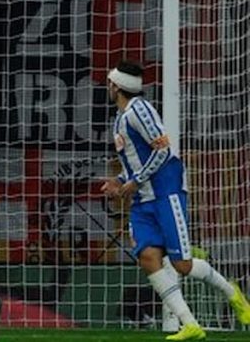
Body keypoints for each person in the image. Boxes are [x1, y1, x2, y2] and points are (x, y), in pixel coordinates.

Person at [99, 61, 250, 341]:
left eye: (109, 82)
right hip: (143, 200)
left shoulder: (140, 110)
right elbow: (136, 162)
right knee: (147, 257)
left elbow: (163, 149)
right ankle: (190, 324)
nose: (107, 87)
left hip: (165, 193)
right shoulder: (119, 120)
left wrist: (134, 180)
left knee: (182, 265)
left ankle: (234, 294)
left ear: (117, 86)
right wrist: (119, 181)